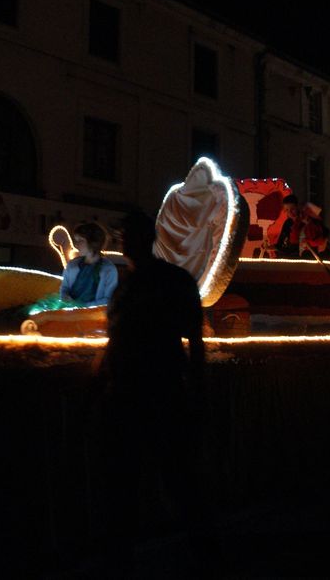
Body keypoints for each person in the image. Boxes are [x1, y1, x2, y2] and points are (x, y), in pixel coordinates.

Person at [97, 210, 206, 566]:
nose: (123, 241)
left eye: (129, 234)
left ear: (148, 237)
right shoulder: (127, 282)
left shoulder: (170, 280)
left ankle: (203, 553)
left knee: (175, 479)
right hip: (126, 393)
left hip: (159, 392)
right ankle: (122, 557)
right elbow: (116, 340)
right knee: (125, 483)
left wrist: (196, 390)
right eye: (121, 235)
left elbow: (195, 339)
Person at [31, 222, 118, 312]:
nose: (76, 245)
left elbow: (108, 299)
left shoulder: (108, 269)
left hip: (94, 316)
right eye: (76, 240)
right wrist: (66, 299)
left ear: (93, 242)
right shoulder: (72, 265)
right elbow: (64, 288)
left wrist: (83, 306)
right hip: (70, 312)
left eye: (80, 240)